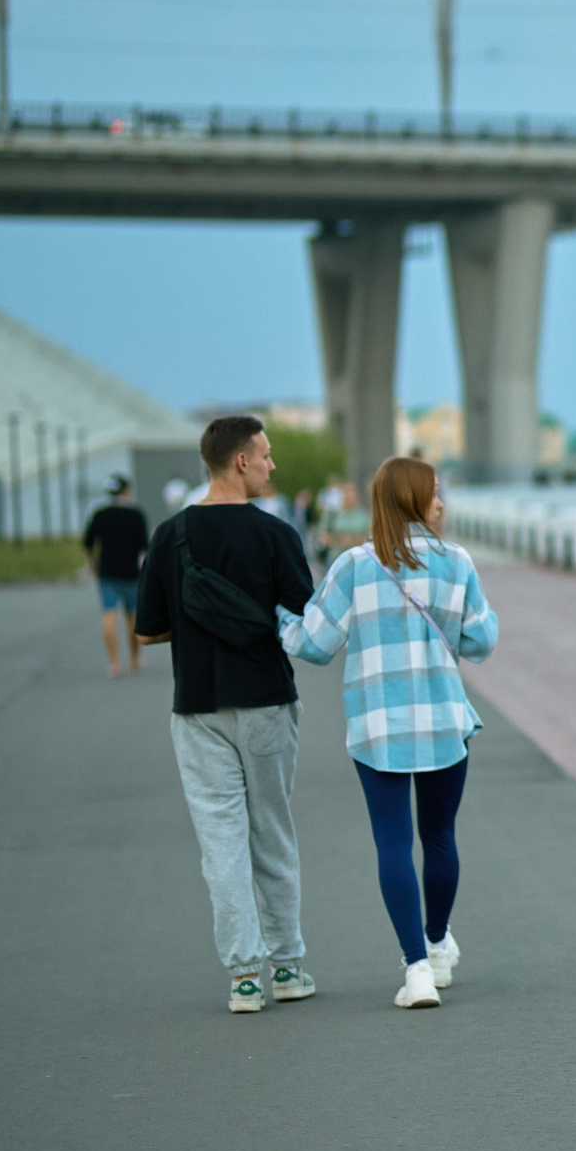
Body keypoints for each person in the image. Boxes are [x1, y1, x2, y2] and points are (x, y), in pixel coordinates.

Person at [282, 456, 498, 1011]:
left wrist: (279, 623)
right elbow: (480, 641)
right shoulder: (457, 563)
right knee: (441, 837)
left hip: (379, 727)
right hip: (444, 723)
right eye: (433, 494)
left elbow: (315, 643)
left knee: (393, 843)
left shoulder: (354, 565)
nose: (442, 503)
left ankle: (418, 969)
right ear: (412, 501)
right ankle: (437, 939)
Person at [134, 417, 317, 1012]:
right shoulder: (276, 534)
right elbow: (305, 616)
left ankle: (244, 978)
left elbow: (150, 631)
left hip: (197, 707)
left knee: (221, 843)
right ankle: (288, 968)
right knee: (273, 832)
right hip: (265, 700)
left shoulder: (170, 536)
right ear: (240, 461)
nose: (271, 466)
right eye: (264, 456)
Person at [83, 475, 152, 678]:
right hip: (131, 573)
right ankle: (135, 658)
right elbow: (144, 547)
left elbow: (89, 543)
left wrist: (93, 565)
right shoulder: (136, 515)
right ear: (127, 491)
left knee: (109, 614)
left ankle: (114, 662)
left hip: (107, 572)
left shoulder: (100, 514)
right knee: (132, 616)